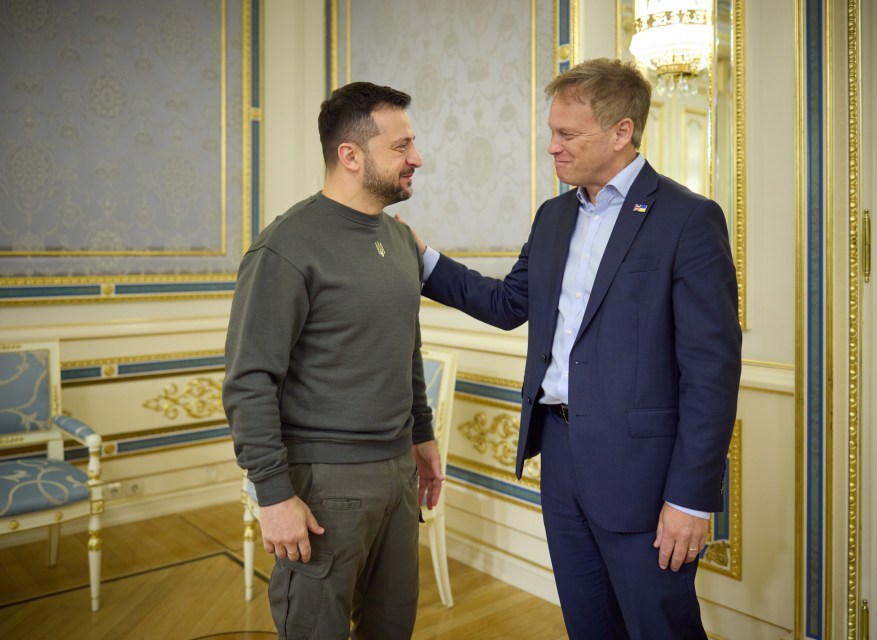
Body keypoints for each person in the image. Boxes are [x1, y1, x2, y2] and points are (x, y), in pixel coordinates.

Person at [415, 58, 741, 638]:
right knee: (588, 622)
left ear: (622, 132)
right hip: (560, 454)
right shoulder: (553, 216)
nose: (553, 149)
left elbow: (711, 374)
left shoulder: (689, 219)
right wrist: (424, 261)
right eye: (552, 133)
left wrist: (691, 500)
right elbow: (506, 304)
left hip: (644, 473)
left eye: (567, 135)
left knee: (659, 626)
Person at [222, 81, 443, 640]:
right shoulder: (285, 248)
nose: (417, 158)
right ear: (350, 155)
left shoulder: (398, 241)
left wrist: (421, 434)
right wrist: (272, 493)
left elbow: (405, 346)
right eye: (401, 146)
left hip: (397, 475)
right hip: (324, 484)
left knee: (393, 627)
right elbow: (249, 380)